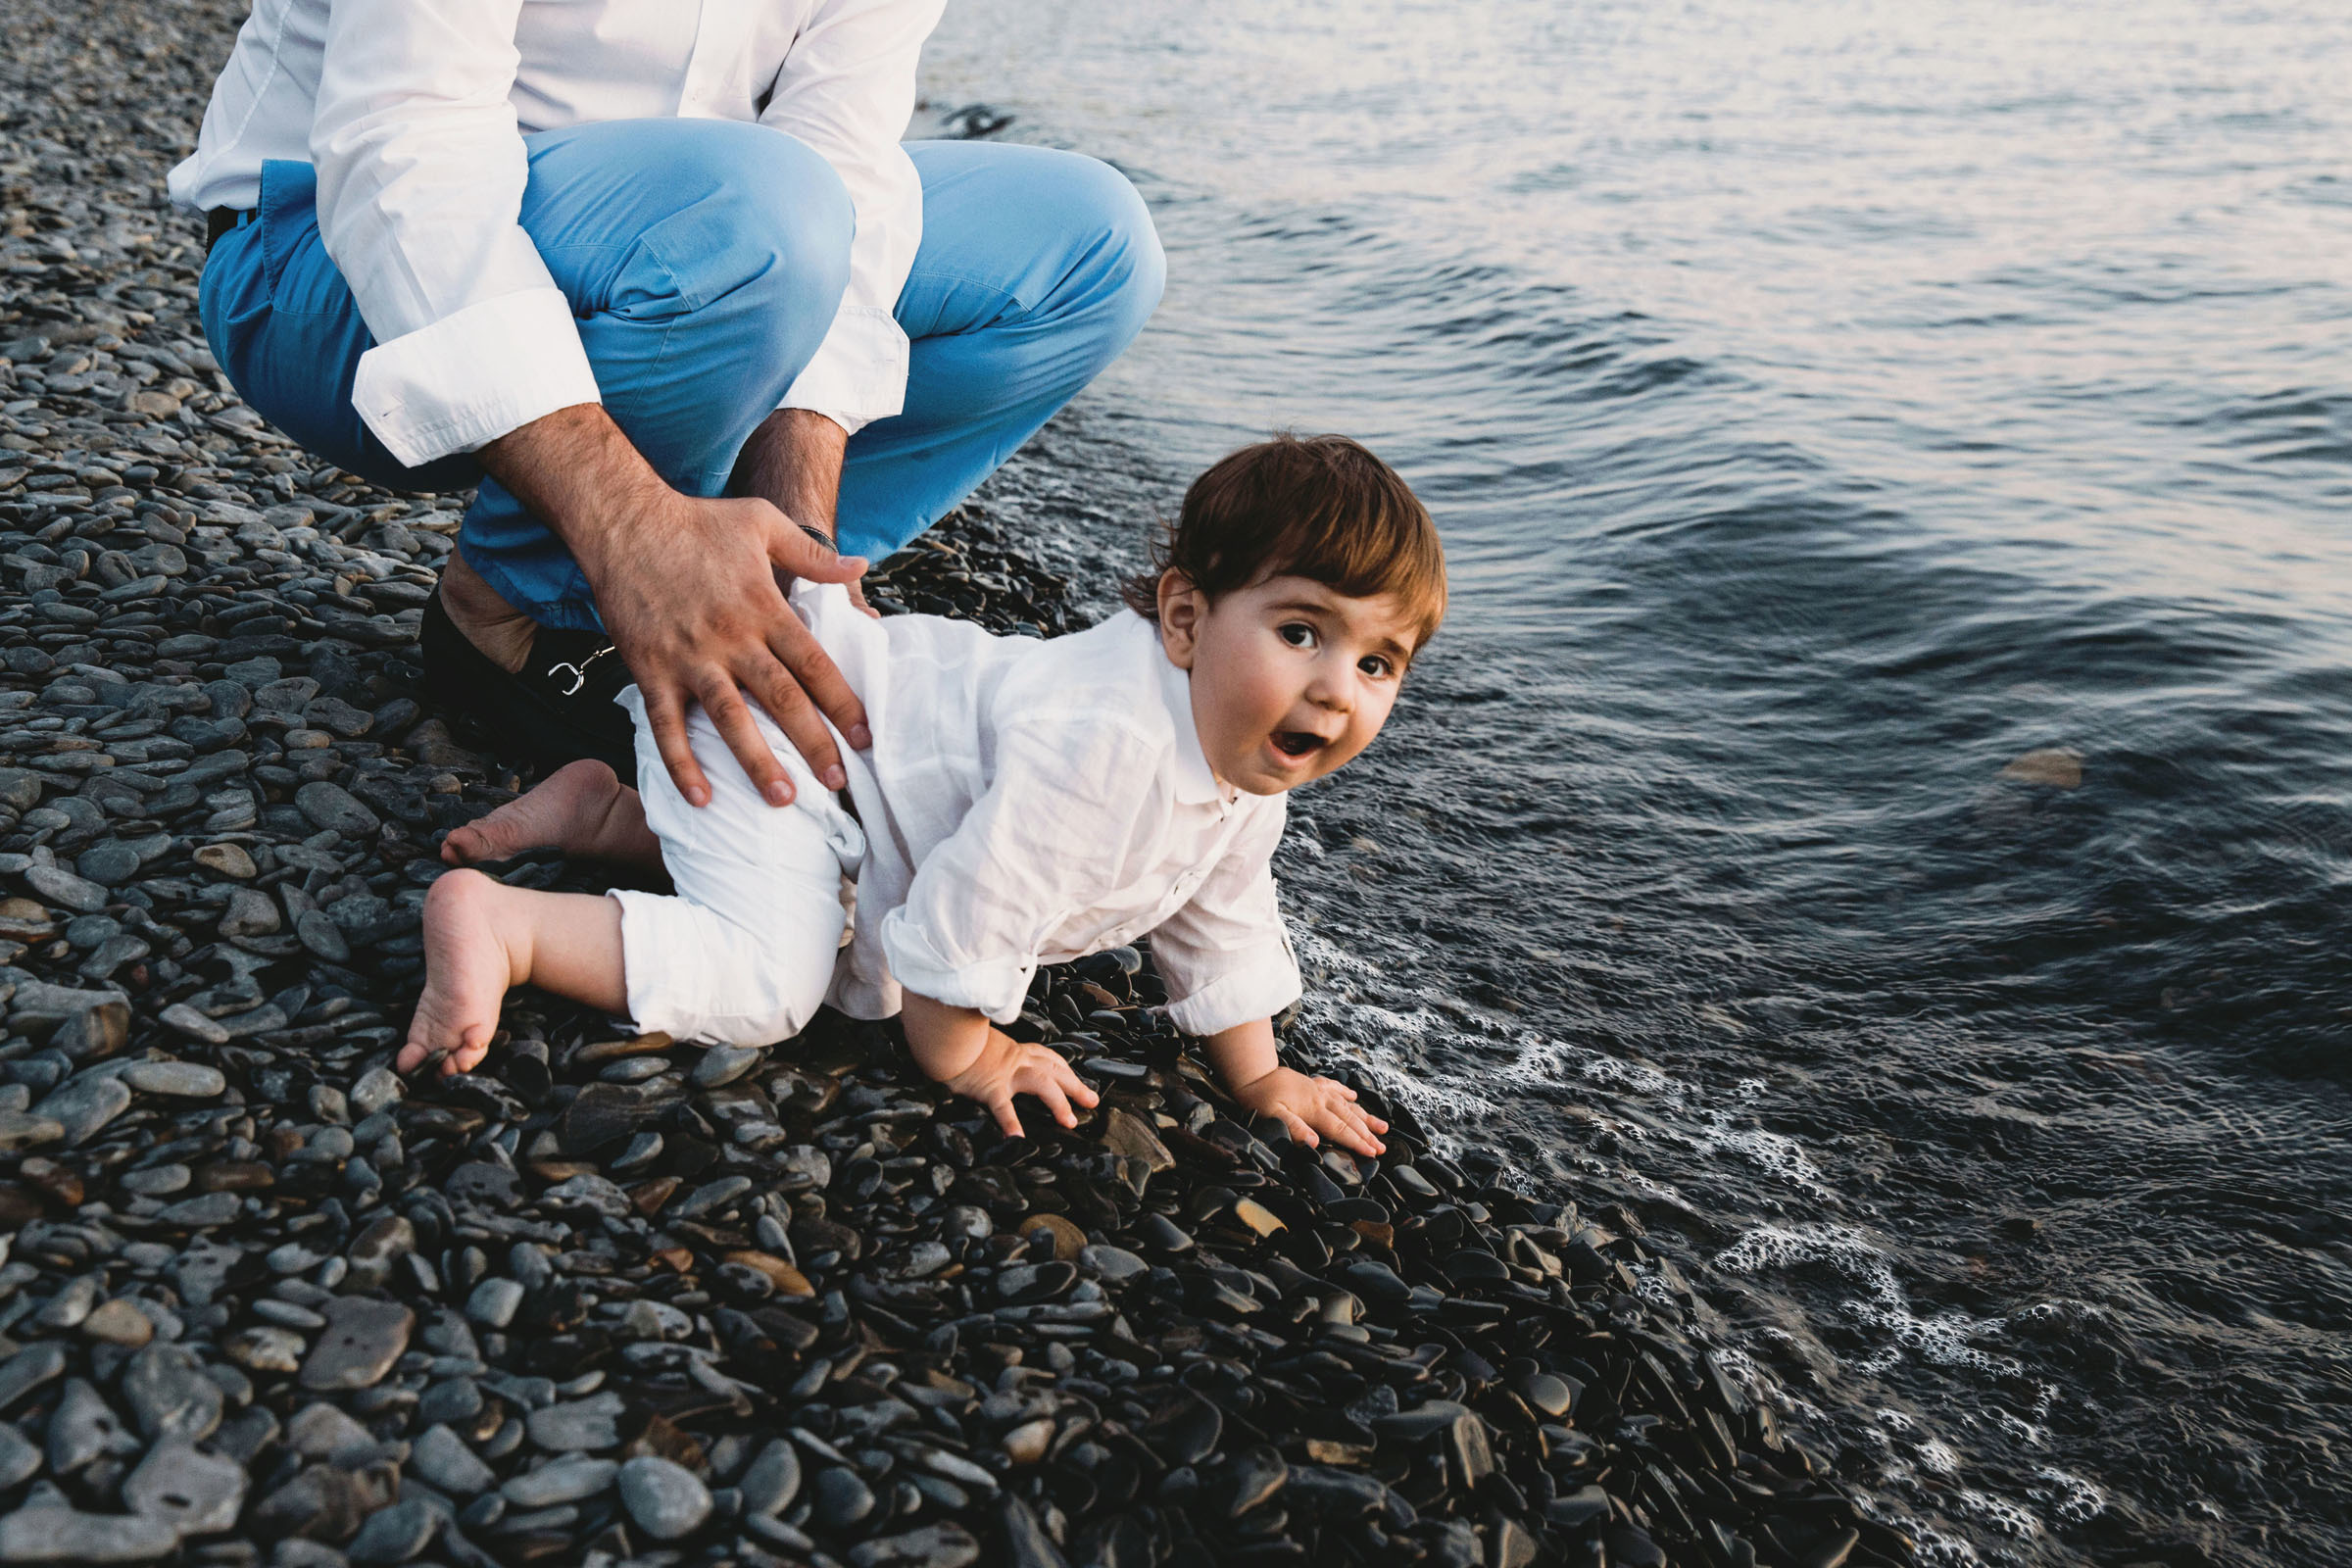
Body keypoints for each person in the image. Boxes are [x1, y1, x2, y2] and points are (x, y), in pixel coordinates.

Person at [169, 0, 1165, 810]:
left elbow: (847, 163)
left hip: (708, 247)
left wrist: (801, 546)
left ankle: (750, 598)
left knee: (1089, 245)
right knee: (764, 213)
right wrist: (628, 524)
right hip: (321, 261)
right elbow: (403, 145)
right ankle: (525, 606)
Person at [397, 435, 1444, 1153]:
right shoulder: (1104, 752)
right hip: (788, 736)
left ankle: (610, 813)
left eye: (1377, 664)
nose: (1333, 688)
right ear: (1183, 619)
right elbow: (964, 918)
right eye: (1301, 632)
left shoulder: (1241, 765)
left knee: (832, 890)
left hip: (843, 780)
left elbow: (1223, 922)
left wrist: (1261, 1078)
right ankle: (510, 927)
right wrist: (973, 1054)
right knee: (773, 982)